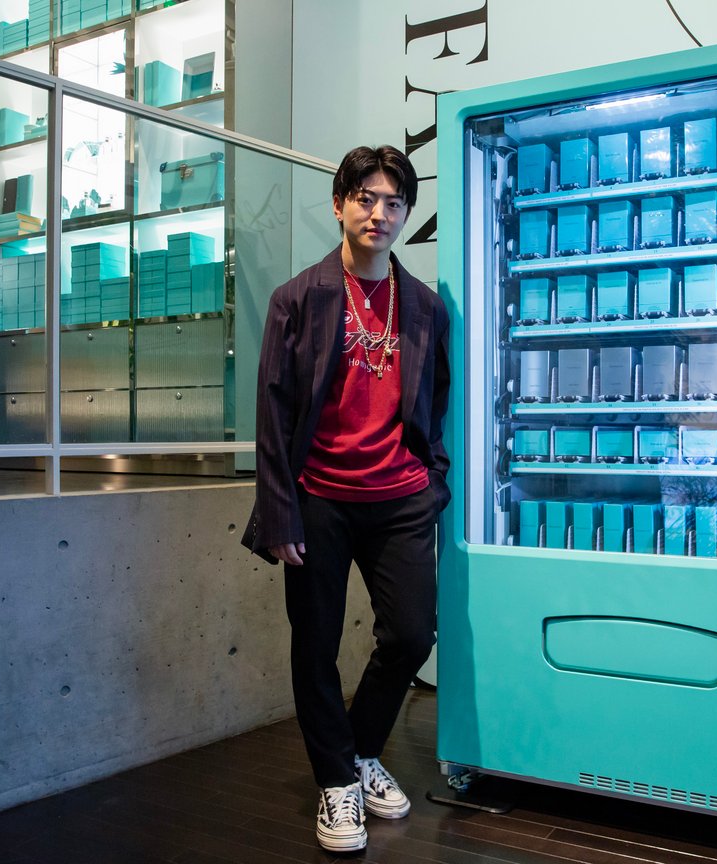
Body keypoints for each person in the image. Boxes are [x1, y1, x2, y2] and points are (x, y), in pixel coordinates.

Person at [242, 144, 451, 853]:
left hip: (400, 498)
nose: (379, 213)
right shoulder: (297, 299)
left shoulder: (424, 306)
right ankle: (336, 783)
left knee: (412, 635)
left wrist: (433, 480)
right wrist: (279, 512)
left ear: (406, 214)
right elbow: (272, 416)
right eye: (365, 198)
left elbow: (437, 399)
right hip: (319, 500)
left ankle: (358, 754)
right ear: (339, 205)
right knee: (316, 647)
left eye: (394, 202)